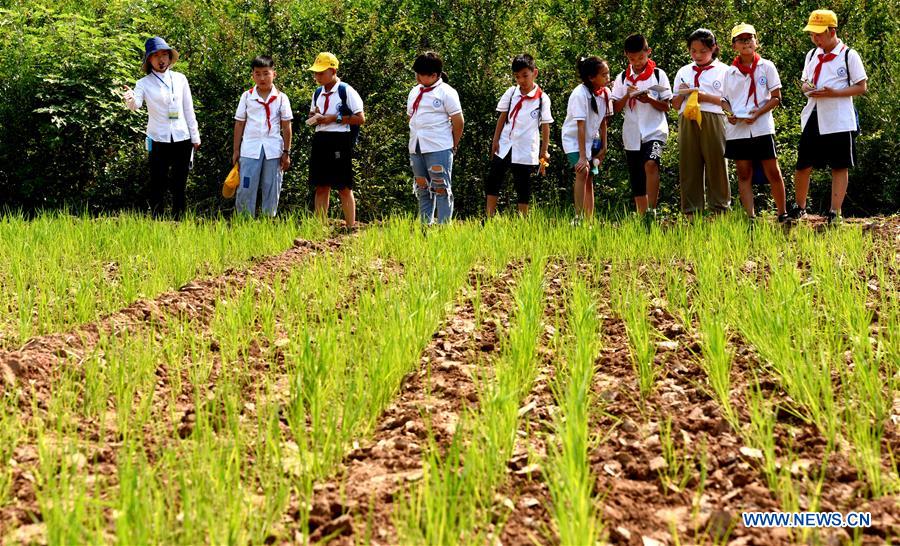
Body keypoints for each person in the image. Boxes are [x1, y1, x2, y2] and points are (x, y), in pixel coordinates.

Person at [788, 9, 868, 225]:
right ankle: (799, 207)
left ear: (832, 31)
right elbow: (804, 81)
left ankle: (835, 212)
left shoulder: (849, 55)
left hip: (839, 116)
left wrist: (834, 93)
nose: (815, 39)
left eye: (819, 34)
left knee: (839, 165)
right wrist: (808, 89)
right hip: (814, 112)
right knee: (803, 163)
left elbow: (861, 87)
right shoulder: (812, 55)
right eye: (812, 34)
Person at [123, 36, 200, 219]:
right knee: (158, 182)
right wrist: (129, 98)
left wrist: (195, 136)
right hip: (158, 138)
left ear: (169, 57)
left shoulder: (180, 79)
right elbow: (137, 105)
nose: (161, 59)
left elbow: (188, 109)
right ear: (149, 59)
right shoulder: (143, 83)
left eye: (164, 54)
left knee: (179, 182)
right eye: (156, 55)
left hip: (182, 137)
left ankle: (179, 220)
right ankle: (157, 220)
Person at [721, 23, 788, 222]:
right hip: (738, 129)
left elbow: (776, 97)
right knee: (744, 173)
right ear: (734, 46)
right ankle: (750, 216)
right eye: (741, 40)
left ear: (756, 42)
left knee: (772, 171)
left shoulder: (766, 66)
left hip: (761, 126)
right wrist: (729, 112)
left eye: (749, 39)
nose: (746, 43)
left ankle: (782, 213)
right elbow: (724, 99)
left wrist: (758, 113)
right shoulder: (728, 72)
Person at [611, 34, 673, 216]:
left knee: (651, 164)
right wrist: (627, 96)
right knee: (637, 175)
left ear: (648, 52)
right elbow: (614, 108)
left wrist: (649, 100)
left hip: (655, 130)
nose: (637, 62)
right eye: (632, 59)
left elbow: (667, 106)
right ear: (626, 56)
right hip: (631, 134)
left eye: (641, 57)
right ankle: (642, 215)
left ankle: (652, 211)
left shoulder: (658, 75)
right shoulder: (622, 78)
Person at [485, 54, 553, 217]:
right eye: (517, 77)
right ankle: (488, 216)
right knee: (494, 179)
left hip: (525, 147)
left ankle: (522, 221)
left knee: (523, 184)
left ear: (534, 73)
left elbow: (545, 126)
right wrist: (495, 140)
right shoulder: (511, 93)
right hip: (505, 144)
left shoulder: (542, 99)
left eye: (525, 76)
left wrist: (544, 152)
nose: (521, 80)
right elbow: (502, 117)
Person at [672, 29, 730, 216]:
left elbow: (728, 104)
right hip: (687, 118)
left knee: (717, 163)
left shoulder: (725, 71)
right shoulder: (683, 71)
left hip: (713, 117)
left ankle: (719, 209)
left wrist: (703, 96)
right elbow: (674, 105)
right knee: (689, 164)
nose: (697, 55)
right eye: (693, 51)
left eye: (702, 51)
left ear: (713, 48)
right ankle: (691, 211)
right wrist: (682, 92)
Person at [307, 52, 365, 228]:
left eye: (321, 72)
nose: (317, 76)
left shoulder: (345, 90)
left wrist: (334, 118)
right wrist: (315, 115)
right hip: (321, 138)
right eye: (316, 72)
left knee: (343, 186)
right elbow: (313, 112)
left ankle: (350, 226)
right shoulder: (318, 92)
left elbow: (360, 118)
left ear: (333, 71)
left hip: (340, 139)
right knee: (321, 185)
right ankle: (320, 226)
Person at [232, 55, 293, 217]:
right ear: (252, 75)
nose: (262, 78)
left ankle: (268, 222)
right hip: (249, 149)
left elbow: (287, 126)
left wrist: (286, 152)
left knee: (271, 187)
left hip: (273, 150)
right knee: (246, 187)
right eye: (257, 73)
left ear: (274, 74)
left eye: (266, 73)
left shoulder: (281, 98)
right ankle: (244, 223)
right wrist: (236, 150)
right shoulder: (247, 96)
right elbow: (239, 123)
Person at [407, 51, 464, 225]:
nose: (417, 77)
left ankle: (444, 227)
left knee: (441, 188)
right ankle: (425, 226)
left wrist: (453, 143)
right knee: (423, 188)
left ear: (434, 75)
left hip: (439, 146)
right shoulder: (414, 91)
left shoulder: (446, 92)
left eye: (421, 74)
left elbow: (458, 121)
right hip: (417, 147)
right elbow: (411, 117)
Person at [561, 56, 610, 222]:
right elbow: (580, 126)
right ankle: (578, 217)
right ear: (591, 77)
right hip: (574, 141)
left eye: (608, 74)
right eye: (604, 75)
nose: (607, 78)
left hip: (591, 141)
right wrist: (582, 156)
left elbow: (603, 122)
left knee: (590, 178)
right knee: (583, 170)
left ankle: (589, 220)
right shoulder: (579, 94)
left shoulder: (605, 93)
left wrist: (604, 147)